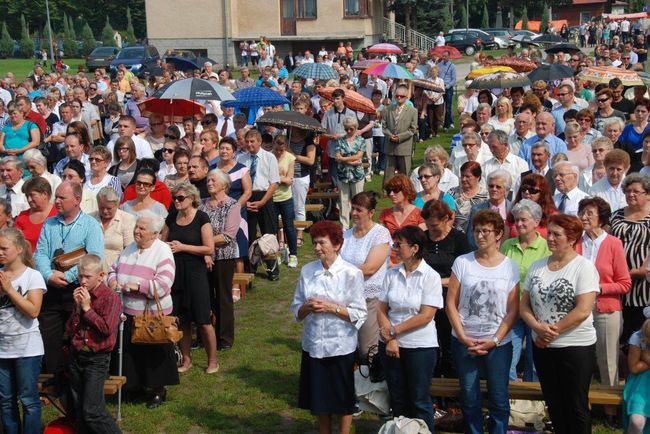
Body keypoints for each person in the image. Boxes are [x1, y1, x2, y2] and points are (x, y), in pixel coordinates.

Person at [521, 214, 600, 434]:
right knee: (554, 404)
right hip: (544, 348)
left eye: (557, 234)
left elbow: (583, 310)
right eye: (550, 233)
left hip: (575, 347)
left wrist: (551, 331)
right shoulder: (537, 266)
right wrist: (537, 328)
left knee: (575, 405)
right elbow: (524, 305)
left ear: (573, 238)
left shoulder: (583, 267)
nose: (551, 238)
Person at [447, 209, 520, 434]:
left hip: (498, 343)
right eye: (477, 231)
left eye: (486, 231)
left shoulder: (509, 266)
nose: (480, 236)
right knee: (469, 396)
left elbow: (512, 309)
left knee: (499, 397)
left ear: (499, 234)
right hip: (464, 340)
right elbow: (451, 303)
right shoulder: (463, 262)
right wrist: (462, 336)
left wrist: (495, 340)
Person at [290, 220, 366, 434]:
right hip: (314, 344)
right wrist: (307, 307)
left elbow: (359, 314)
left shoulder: (351, 273)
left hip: (340, 345)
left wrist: (332, 308)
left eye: (322, 243)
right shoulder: (307, 271)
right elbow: (296, 309)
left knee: (343, 397)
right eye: (314, 243)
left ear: (337, 244)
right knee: (319, 397)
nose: (316, 248)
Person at [34, 181, 104, 379]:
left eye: (61, 197)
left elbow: (95, 255)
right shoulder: (49, 224)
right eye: (56, 197)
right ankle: (55, 380)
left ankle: (78, 378)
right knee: (50, 336)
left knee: (78, 335)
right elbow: (39, 253)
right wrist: (49, 275)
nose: (56, 201)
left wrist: (68, 276)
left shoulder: (90, 225)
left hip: (77, 288)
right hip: (52, 288)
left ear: (77, 199)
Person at [108, 211, 178, 408]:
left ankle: (157, 390)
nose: (136, 231)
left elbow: (165, 283)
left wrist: (140, 286)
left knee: (153, 353)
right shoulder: (129, 248)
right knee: (131, 354)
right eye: (136, 227)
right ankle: (135, 387)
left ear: (155, 233)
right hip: (128, 311)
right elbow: (113, 269)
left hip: (153, 314)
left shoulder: (163, 250)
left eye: (142, 228)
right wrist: (114, 282)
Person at [378, 225, 443, 432]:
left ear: (414, 248)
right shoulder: (391, 273)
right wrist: (390, 339)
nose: (395, 248)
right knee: (397, 400)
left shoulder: (430, 276)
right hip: (391, 345)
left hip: (420, 347)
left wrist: (394, 331)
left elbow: (426, 315)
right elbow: (381, 308)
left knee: (419, 400)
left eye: (399, 244)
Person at [576, 196, 631, 425]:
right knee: (581, 361)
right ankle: (585, 408)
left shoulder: (613, 243)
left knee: (608, 362)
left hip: (606, 310)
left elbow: (624, 283)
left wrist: (598, 288)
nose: (585, 217)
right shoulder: (575, 241)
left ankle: (610, 411)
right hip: (579, 311)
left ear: (602, 217)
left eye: (590, 213)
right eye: (583, 212)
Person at [162, 182, 218, 374]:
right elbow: (163, 242)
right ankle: (186, 359)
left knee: (203, 319)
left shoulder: (202, 218)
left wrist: (183, 247)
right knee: (182, 319)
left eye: (180, 198)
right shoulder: (171, 218)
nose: (177, 201)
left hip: (196, 272)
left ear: (192, 198)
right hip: (176, 272)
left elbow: (209, 248)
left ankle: (213, 360)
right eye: (175, 198)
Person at [65, 254, 121, 434]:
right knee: (79, 409)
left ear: (101, 276)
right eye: (80, 276)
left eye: (87, 277)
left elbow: (106, 328)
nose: (82, 281)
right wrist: (77, 309)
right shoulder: (80, 295)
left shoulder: (110, 297)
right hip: (77, 355)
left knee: (92, 411)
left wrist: (87, 309)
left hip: (97, 359)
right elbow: (70, 329)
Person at [0, 228, 46, 434]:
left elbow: (33, 310)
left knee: (28, 400)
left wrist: (9, 290)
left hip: (27, 348)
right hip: (2, 348)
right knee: (5, 400)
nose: (0, 252)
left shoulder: (32, 276)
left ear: (19, 249)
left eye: (4, 248)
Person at [501, 199, 551, 381]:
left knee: (534, 362)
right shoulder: (507, 246)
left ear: (536, 222)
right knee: (508, 360)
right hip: (511, 311)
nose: (519, 224)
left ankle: (533, 407)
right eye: (516, 220)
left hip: (536, 313)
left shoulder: (546, 248)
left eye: (524, 220)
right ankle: (512, 404)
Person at [339, 192, 391, 360]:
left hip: (370, 298)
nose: (354, 213)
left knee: (367, 348)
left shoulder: (380, 234)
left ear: (371, 212)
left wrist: (341, 271)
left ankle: (373, 383)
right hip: (346, 297)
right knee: (346, 345)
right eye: (353, 208)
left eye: (359, 209)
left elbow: (370, 268)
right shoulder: (345, 235)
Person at [199, 169, 241, 350]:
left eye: (213, 180)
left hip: (223, 257)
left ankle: (224, 339)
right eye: (208, 180)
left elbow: (228, 236)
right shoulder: (201, 205)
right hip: (202, 257)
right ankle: (205, 337)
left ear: (224, 185)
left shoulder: (232, 205)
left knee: (223, 298)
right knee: (204, 297)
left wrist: (204, 243)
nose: (209, 183)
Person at [611, 173, 650, 343]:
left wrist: (639, 270)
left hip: (644, 287)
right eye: (627, 191)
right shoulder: (616, 215)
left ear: (648, 194)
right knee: (620, 335)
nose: (631, 194)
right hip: (617, 285)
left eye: (636, 191)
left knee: (639, 336)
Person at [237, 129, 280, 281]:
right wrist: (245, 201)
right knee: (249, 234)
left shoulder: (269, 158)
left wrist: (263, 201)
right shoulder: (241, 159)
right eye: (247, 141)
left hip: (265, 196)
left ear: (259, 142)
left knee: (268, 234)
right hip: (248, 196)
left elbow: (274, 183)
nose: (249, 144)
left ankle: (272, 268)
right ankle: (251, 266)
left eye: (252, 141)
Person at [216, 138, 251, 301]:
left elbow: (247, 192)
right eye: (222, 148)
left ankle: (238, 286)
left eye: (227, 149)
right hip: (217, 213)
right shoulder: (213, 168)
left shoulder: (242, 169)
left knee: (237, 251)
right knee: (221, 249)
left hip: (237, 212)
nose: (224, 151)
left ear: (234, 151)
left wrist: (235, 206)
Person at [379, 174, 425, 265]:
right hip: (388, 259)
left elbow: (420, 241)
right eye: (389, 191)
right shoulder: (385, 214)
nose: (391, 194)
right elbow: (380, 239)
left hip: (411, 260)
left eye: (395, 190)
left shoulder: (420, 214)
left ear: (406, 190)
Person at [91, 186, 135, 273]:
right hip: (91, 272)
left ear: (117, 205)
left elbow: (130, 250)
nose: (105, 211)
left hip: (115, 271)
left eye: (109, 208)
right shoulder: (90, 218)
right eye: (102, 207)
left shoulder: (127, 219)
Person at [466, 170, 512, 249]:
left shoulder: (513, 209)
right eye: (491, 186)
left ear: (506, 190)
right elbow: (471, 238)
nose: (494, 189)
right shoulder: (477, 210)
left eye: (498, 187)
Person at [382, 85, 418, 184]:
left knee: (405, 172)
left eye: (401, 96)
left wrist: (399, 137)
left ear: (406, 97)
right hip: (390, 146)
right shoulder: (387, 109)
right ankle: (387, 191)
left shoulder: (413, 111)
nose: (399, 98)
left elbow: (413, 129)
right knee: (388, 172)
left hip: (404, 146)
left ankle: (406, 190)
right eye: (397, 96)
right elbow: (384, 126)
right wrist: (390, 136)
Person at [336, 116, 366, 229]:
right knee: (343, 200)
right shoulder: (340, 140)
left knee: (358, 201)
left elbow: (359, 156)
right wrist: (351, 161)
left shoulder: (361, 140)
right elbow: (337, 156)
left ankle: (357, 224)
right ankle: (344, 226)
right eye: (346, 129)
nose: (348, 131)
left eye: (351, 129)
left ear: (356, 128)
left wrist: (344, 160)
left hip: (357, 174)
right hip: (343, 174)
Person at [623, 310, 650, 434]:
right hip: (641, 382)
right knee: (637, 421)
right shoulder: (638, 336)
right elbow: (634, 368)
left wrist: (645, 357)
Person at [14, 177, 56, 252]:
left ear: (44, 194)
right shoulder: (23, 216)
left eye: (32, 195)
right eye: (27, 196)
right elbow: (15, 242)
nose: (29, 199)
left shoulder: (58, 214)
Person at [449, 161, 488, 232]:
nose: (463, 179)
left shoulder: (486, 195)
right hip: (456, 236)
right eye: (462, 175)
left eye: (467, 176)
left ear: (478, 177)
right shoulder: (451, 193)